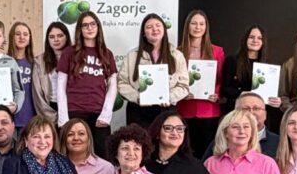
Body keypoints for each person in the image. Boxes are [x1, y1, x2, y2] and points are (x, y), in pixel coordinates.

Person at [56, 13, 117, 158]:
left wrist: (106, 114)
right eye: (85, 25)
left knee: (103, 157)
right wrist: (63, 118)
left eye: (93, 24)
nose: (89, 28)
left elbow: (112, 86)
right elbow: (60, 86)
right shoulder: (69, 52)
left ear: (98, 27)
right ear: (80, 29)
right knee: (71, 157)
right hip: (74, 112)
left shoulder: (107, 54)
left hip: (99, 116)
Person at [117, 13, 190, 127]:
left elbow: (184, 85)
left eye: (158, 25)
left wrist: (169, 97)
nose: (154, 29)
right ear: (144, 33)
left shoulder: (177, 55)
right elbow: (122, 83)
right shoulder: (132, 56)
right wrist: (137, 97)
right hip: (138, 110)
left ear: (164, 29)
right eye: (149, 27)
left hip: (166, 110)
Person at [176, 9, 224, 157]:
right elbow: (173, 80)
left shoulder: (217, 51)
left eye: (201, 24)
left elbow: (221, 79)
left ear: (206, 27)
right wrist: (181, 93)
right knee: (185, 153)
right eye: (194, 23)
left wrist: (217, 94)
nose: (198, 27)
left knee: (207, 154)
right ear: (187, 26)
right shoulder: (177, 52)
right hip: (185, 109)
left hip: (209, 109)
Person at [221, 25, 280, 127]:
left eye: (259, 38)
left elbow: (271, 93)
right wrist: (242, 93)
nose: (255, 40)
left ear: (263, 42)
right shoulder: (232, 61)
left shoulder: (268, 66)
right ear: (245, 39)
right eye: (251, 37)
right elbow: (225, 89)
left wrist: (277, 101)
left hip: (259, 115)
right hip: (237, 112)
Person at [32, 21, 71, 122]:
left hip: (72, 109)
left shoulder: (76, 58)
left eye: (60, 36)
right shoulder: (39, 62)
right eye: (52, 37)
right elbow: (37, 94)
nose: (56, 39)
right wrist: (51, 117)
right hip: (49, 108)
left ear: (66, 37)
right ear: (47, 40)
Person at [9, 22, 37, 130]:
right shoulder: (4, 62)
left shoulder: (35, 64)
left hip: (30, 119)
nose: (22, 37)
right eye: (18, 34)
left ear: (29, 39)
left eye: (25, 34)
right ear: (12, 37)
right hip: (9, 120)